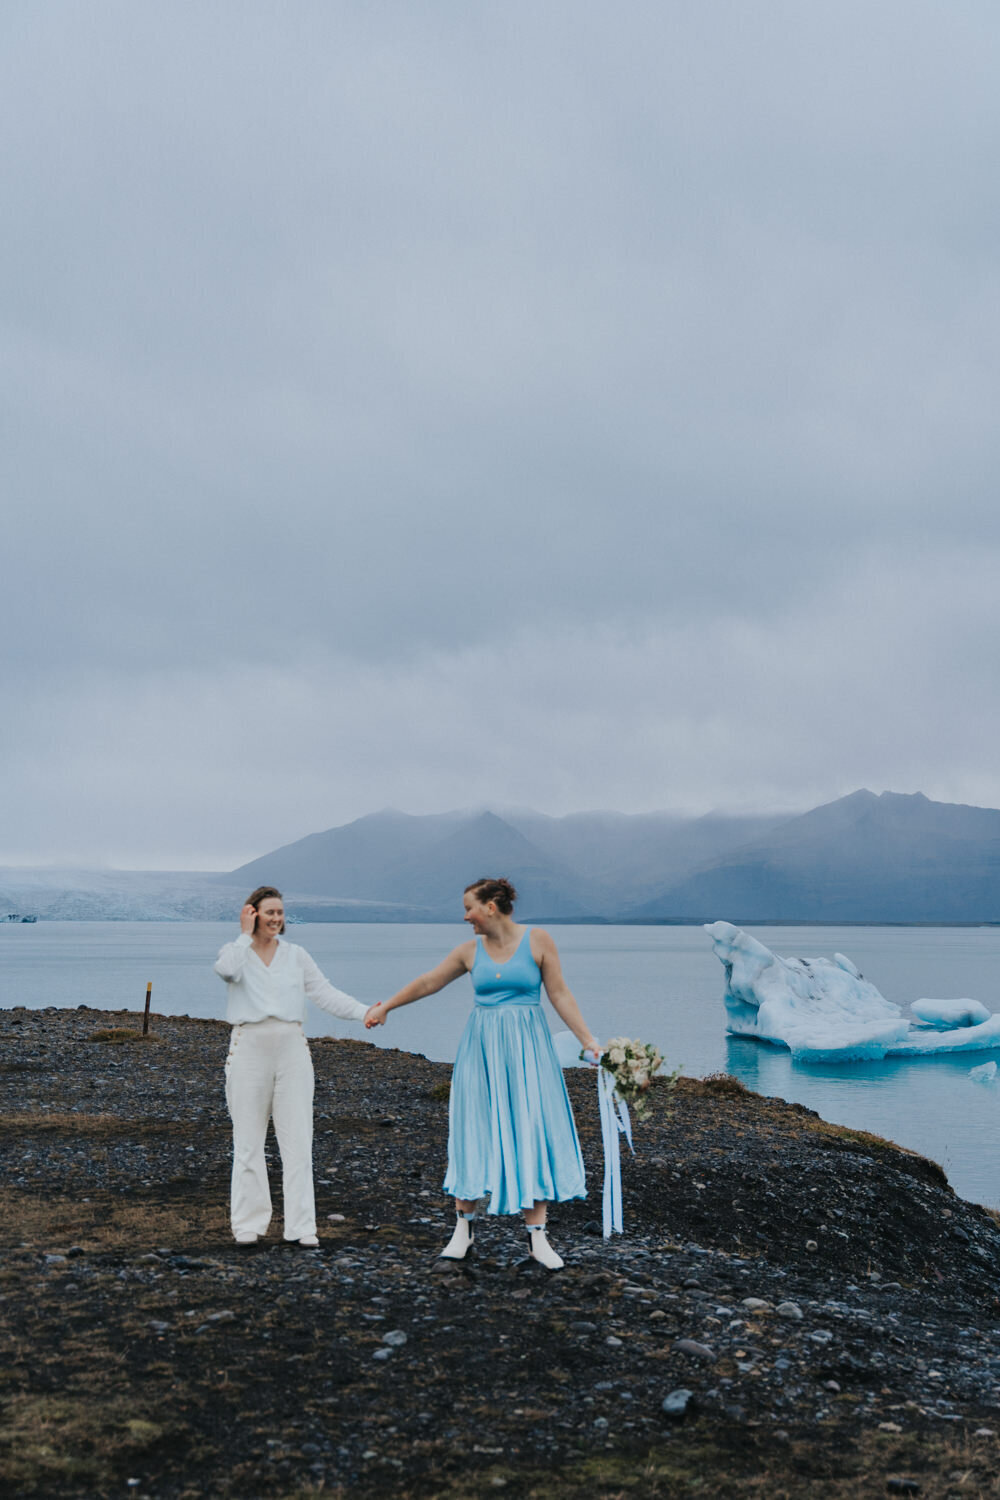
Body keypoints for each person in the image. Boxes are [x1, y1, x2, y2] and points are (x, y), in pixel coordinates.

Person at [365, 877, 600, 1270]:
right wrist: (386, 1006)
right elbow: (429, 982)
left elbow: (559, 994)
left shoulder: (539, 941)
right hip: (482, 1051)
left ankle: (537, 1238)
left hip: (529, 1051)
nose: (465, 916)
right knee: (473, 1129)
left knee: (530, 1130)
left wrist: (588, 1040)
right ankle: (463, 1231)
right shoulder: (469, 951)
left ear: (491, 906)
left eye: (469, 907)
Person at [214, 886, 368, 1247]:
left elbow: (325, 993)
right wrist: (243, 933)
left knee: (298, 1142)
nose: (276, 919)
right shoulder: (235, 952)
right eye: (269, 912)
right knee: (248, 1142)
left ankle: (301, 1227)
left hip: (292, 1049)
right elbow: (226, 971)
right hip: (248, 1047)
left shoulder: (297, 956)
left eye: (280, 913)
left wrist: (364, 1012)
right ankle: (248, 1224)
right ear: (252, 913)